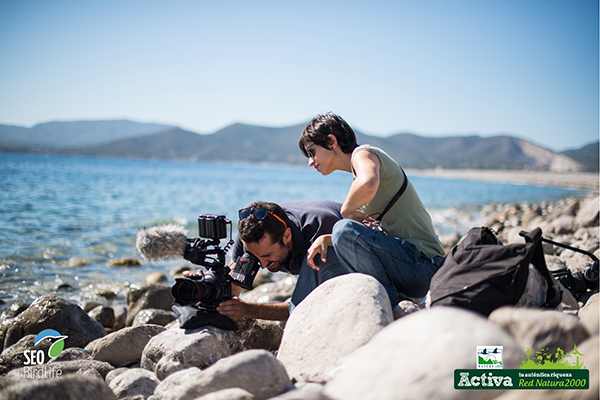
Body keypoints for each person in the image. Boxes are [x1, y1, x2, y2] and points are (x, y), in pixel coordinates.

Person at [298, 112, 445, 306]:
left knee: (342, 228)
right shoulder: (357, 172)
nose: (310, 161)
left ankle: (393, 304)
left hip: (426, 266)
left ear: (331, 142)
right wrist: (327, 239)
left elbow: (368, 182)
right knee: (323, 251)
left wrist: (346, 212)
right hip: (407, 265)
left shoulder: (364, 154)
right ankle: (299, 313)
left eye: (311, 151)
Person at [185, 199, 343, 320]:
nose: (262, 265)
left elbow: (303, 308)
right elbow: (232, 290)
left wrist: (248, 310)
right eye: (255, 257)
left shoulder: (320, 236)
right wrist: (206, 288)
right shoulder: (249, 239)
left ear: (287, 236)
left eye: (267, 256)